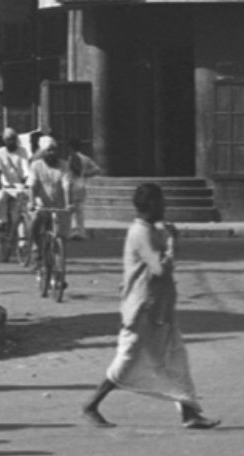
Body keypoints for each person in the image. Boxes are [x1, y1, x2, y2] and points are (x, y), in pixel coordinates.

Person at [80, 183, 219, 430]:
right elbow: (159, 269)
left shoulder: (149, 231)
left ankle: (189, 413)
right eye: (162, 202)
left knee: (176, 358)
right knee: (127, 360)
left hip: (159, 308)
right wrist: (173, 242)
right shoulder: (141, 233)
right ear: (152, 205)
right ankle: (91, 404)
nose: (165, 207)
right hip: (143, 309)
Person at [0, 128, 30, 251]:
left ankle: (22, 241)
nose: (11, 142)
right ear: (4, 141)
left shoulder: (23, 151)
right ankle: (1, 221)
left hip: (18, 185)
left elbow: (26, 168)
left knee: (20, 212)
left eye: (13, 139)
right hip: (4, 184)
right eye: (9, 140)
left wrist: (27, 181)